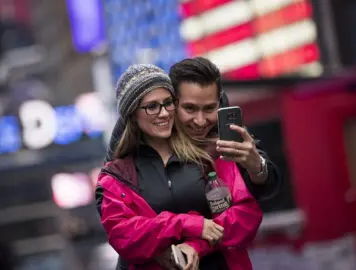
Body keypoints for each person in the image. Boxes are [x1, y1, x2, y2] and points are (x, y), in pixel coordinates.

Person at [96, 64, 262, 270]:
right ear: (132, 114)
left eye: (168, 103)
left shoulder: (212, 152)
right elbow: (123, 236)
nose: (164, 113)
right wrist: (186, 224)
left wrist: (196, 245)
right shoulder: (117, 175)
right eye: (152, 106)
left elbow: (246, 215)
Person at [105, 57, 281, 203]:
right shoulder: (141, 133)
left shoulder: (228, 132)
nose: (200, 121)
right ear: (172, 101)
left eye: (209, 109)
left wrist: (257, 168)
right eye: (189, 108)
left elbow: (268, 188)